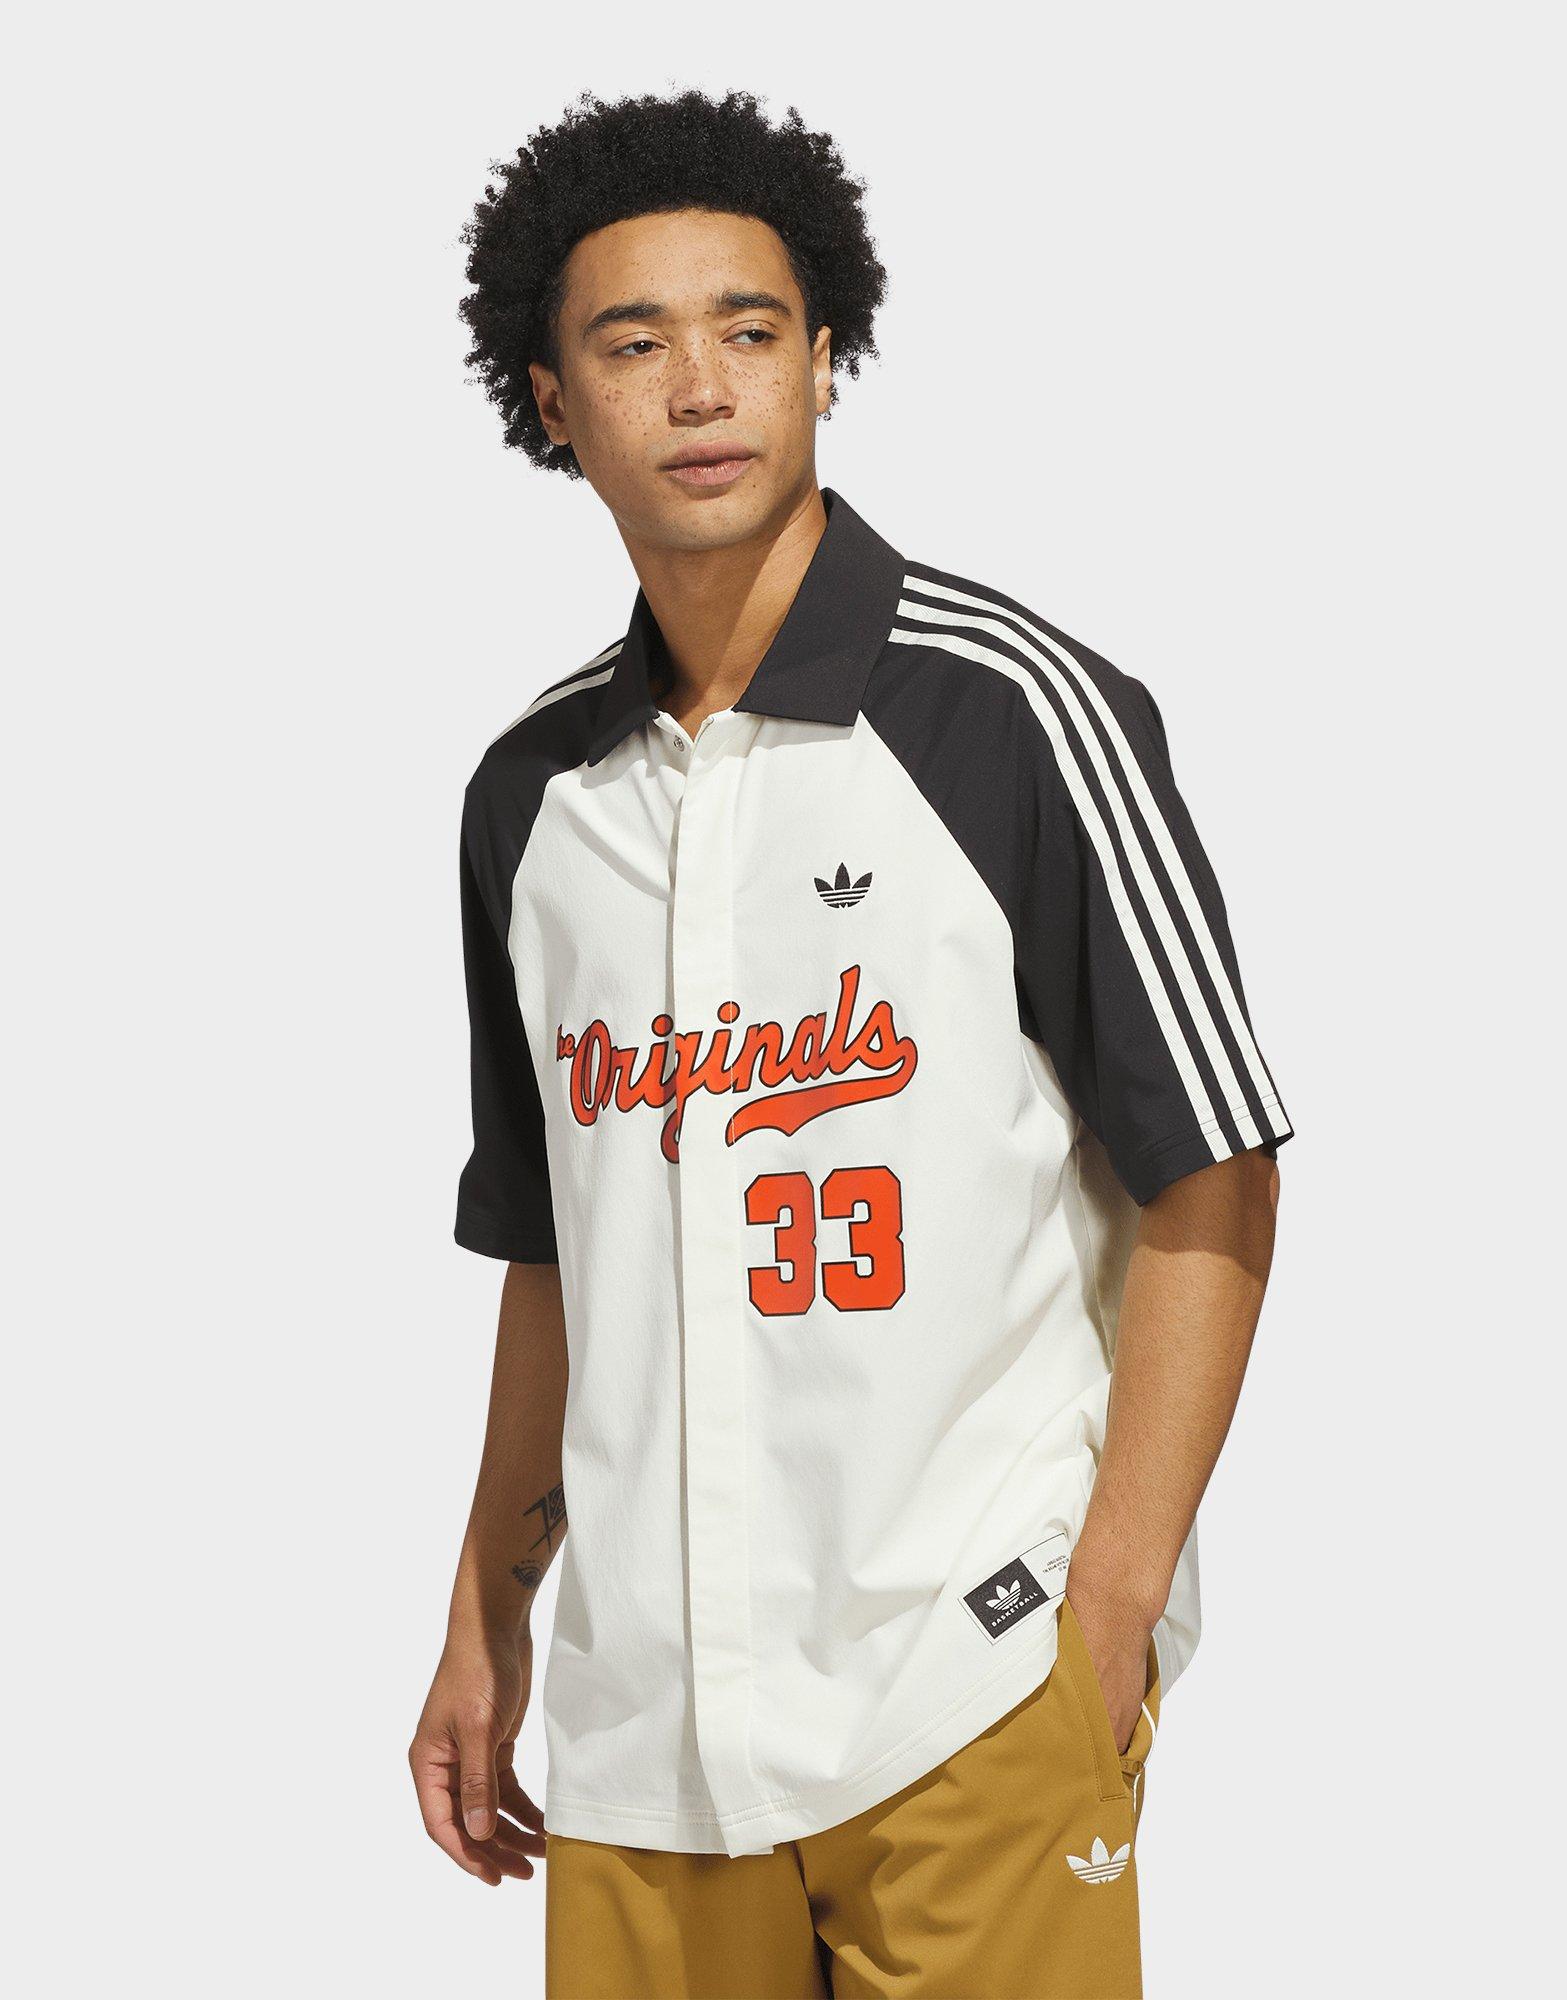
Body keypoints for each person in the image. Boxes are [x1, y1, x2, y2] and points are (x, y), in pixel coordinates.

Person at [409, 85, 1291, 2000]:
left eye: (750, 331)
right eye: (631, 345)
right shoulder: (530, 798)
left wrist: (1110, 1606)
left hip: (967, 1691)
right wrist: (488, 1608)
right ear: (551, 401)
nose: (700, 388)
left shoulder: (1016, 714)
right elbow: (554, 1248)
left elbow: (1216, 1169)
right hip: (642, 1739)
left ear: (825, 358)